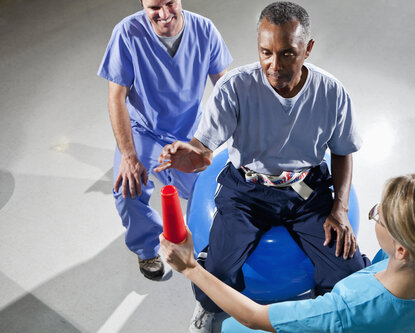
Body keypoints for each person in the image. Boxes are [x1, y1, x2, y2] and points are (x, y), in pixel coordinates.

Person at [155, 2, 369, 331]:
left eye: (287, 54)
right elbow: (203, 150)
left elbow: (342, 152)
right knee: (219, 268)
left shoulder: (331, 93)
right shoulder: (235, 88)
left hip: (306, 189)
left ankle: (325, 310)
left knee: (347, 267)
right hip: (246, 191)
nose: (274, 65)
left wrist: (339, 208)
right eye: (265, 52)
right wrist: (193, 155)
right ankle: (211, 308)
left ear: (307, 49)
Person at [160, 156, 415, 332]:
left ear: (402, 250)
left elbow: (256, 317)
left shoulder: (349, 308)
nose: (374, 216)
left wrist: (190, 267)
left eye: (379, 215)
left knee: (233, 329)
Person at [97, 0, 232, 280]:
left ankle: (210, 249)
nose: (164, 14)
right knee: (127, 188)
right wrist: (129, 157)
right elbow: (116, 97)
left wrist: (227, 140)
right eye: (154, 7)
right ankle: (146, 249)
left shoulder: (204, 30)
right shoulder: (127, 33)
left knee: (214, 192)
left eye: (170, 3)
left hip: (191, 131)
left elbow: (225, 89)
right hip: (144, 129)